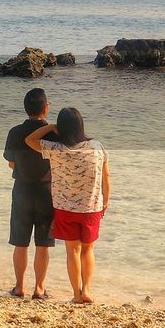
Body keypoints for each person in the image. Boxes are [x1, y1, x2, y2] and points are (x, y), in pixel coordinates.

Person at [25, 108, 109, 304]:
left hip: (64, 208)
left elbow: (29, 140)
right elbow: (106, 175)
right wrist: (106, 199)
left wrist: (50, 127)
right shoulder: (97, 147)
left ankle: (76, 295)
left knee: (72, 251)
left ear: (62, 127)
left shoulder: (56, 149)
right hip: (91, 208)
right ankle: (86, 290)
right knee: (88, 249)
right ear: (81, 125)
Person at [2, 88, 56, 299]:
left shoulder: (14, 132)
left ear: (26, 109)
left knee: (20, 242)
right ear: (46, 108)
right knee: (43, 242)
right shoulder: (53, 133)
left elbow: (11, 163)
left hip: (22, 189)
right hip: (46, 190)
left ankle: (19, 287)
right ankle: (39, 289)